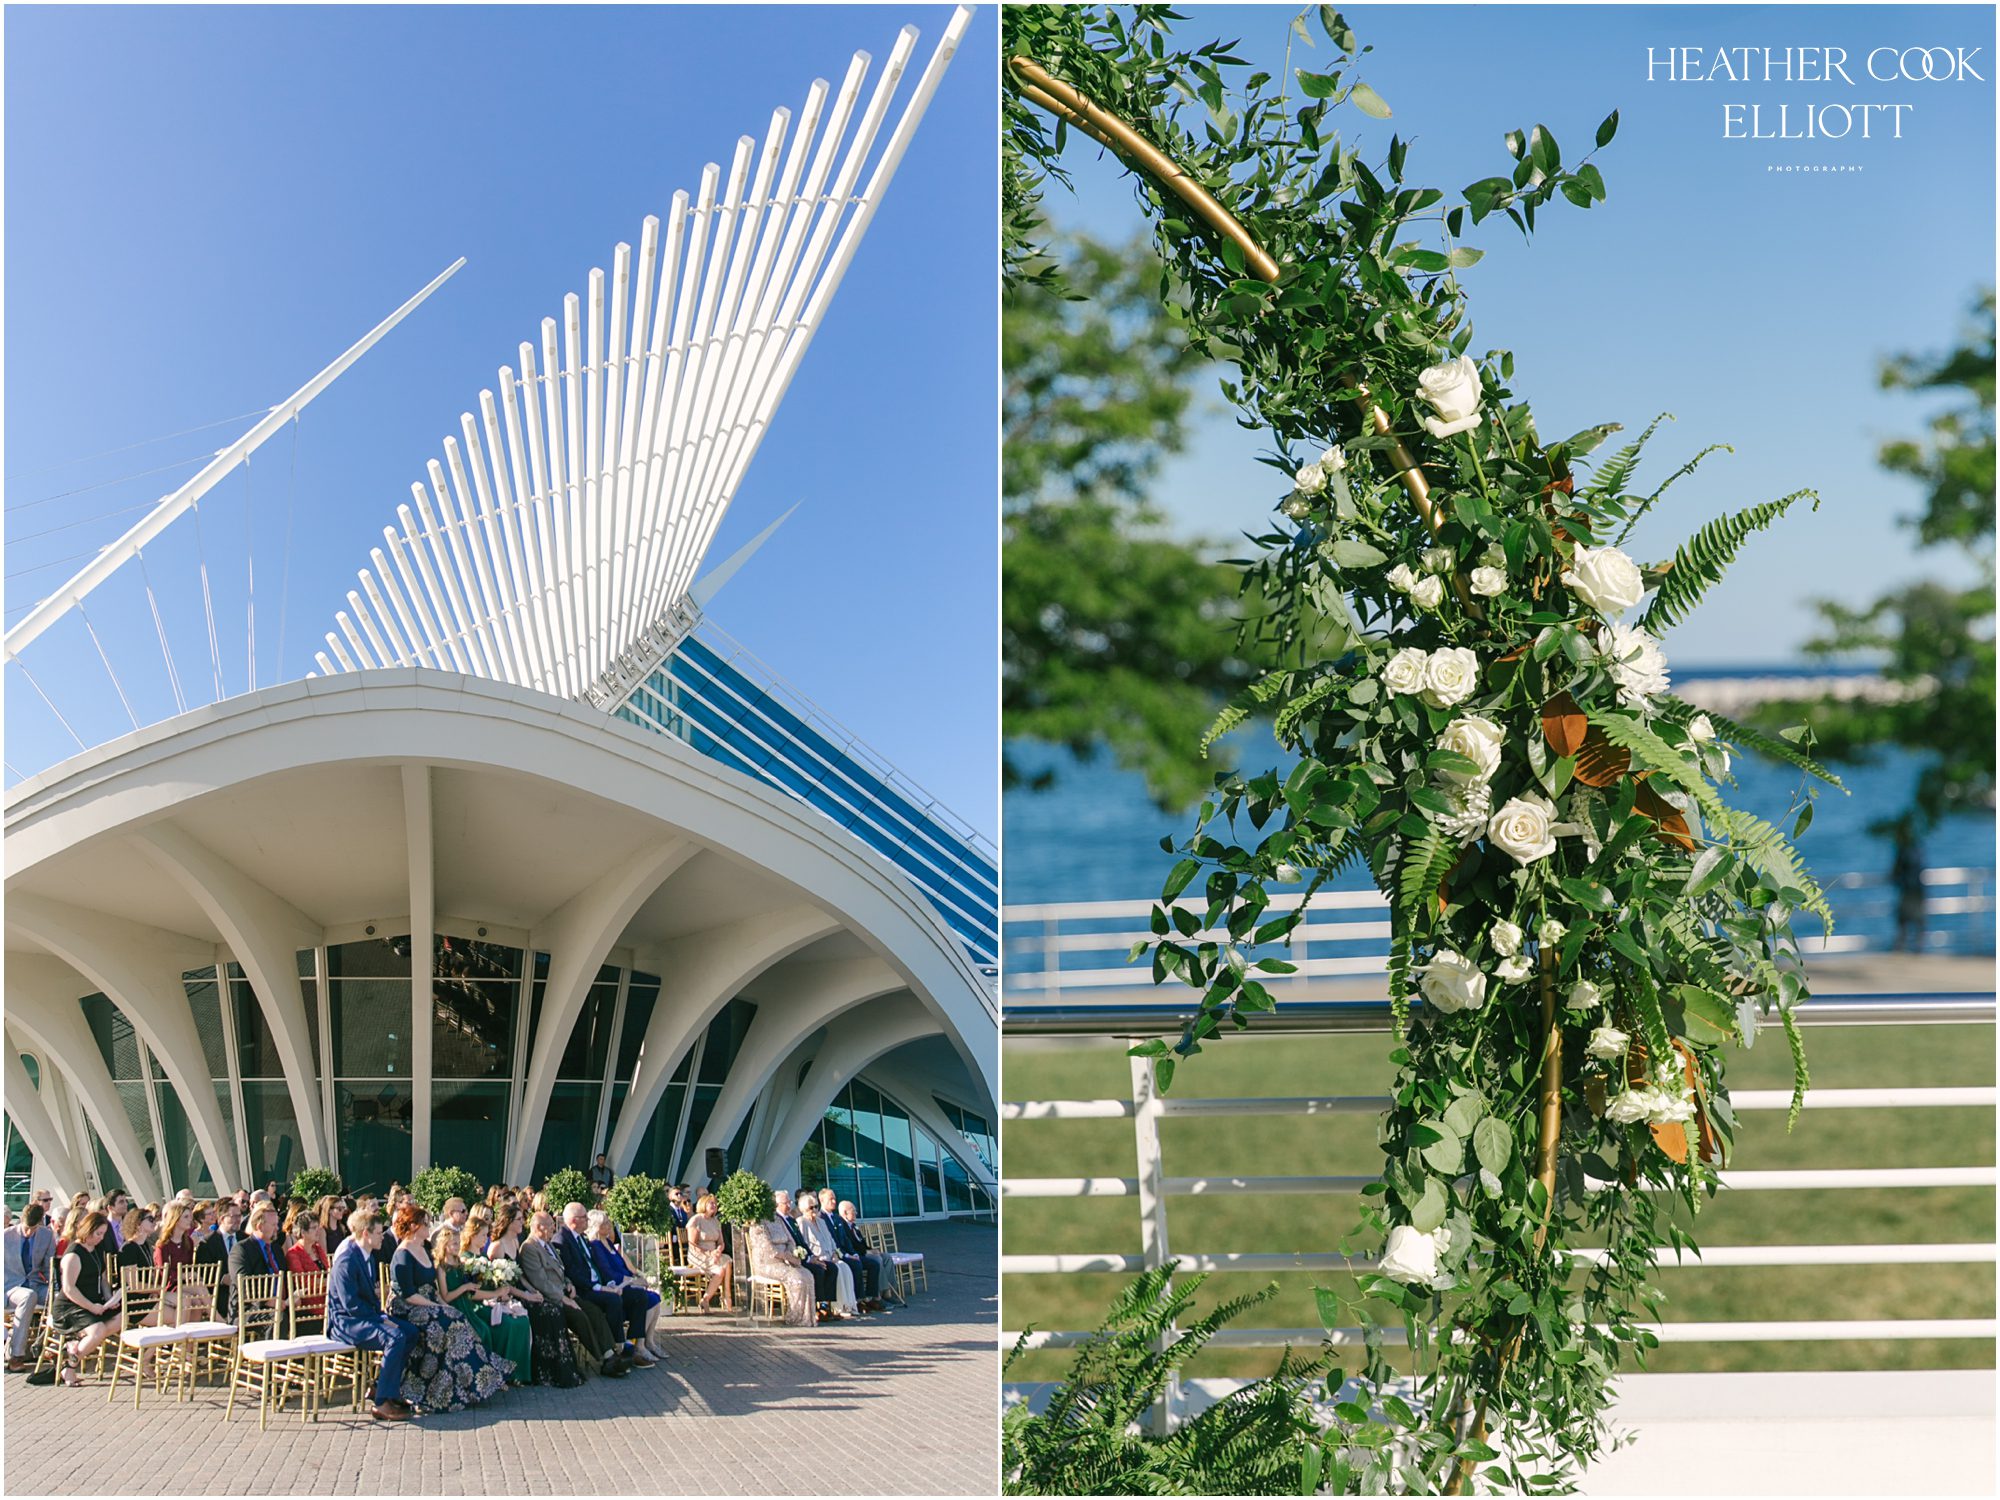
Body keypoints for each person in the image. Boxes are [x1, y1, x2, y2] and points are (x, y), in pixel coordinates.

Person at [386, 1203, 510, 1411]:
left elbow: (433, 1288)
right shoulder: (403, 1254)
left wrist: (443, 1305)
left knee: (458, 1317)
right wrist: (438, 1306)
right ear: (414, 1226)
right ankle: (437, 1388)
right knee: (445, 1324)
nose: (428, 1227)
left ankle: (473, 1380)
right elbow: (408, 1294)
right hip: (407, 1306)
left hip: (428, 1301)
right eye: (425, 1223)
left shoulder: (423, 1248)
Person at [464, 1212, 579, 1389]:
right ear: (509, 1222)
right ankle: (531, 1371)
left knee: (549, 1309)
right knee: (542, 1314)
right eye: (519, 1219)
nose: (523, 1222)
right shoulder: (496, 1248)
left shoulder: (515, 1242)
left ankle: (554, 1368)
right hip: (503, 1295)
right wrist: (526, 1296)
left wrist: (533, 1291)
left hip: (515, 1291)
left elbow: (519, 1275)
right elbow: (500, 1283)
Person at [327, 1210, 417, 1422]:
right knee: (394, 1337)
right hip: (346, 1322)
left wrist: (381, 1316)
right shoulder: (347, 1261)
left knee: (411, 1332)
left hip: (366, 1316)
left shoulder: (367, 1256)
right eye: (378, 1233)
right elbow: (351, 1305)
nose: (382, 1236)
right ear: (366, 1234)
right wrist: (381, 1320)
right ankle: (382, 1403)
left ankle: (385, 1387)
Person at [519, 1212, 628, 1377]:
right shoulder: (529, 1248)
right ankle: (604, 1358)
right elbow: (540, 1281)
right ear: (538, 1227)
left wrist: (569, 1283)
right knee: (580, 1317)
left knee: (594, 1312)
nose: (552, 1228)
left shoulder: (547, 1245)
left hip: (565, 1291)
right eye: (549, 1225)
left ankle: (610, 1354)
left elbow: (561, 1270)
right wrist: (562, 1298)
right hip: (550, 1298)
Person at [431, 1224, 530, 1389]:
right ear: (445, 1246)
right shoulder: (442, 1267)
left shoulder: (460, 1264)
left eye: (457, 1243)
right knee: (479, 1332)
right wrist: (465, 1288)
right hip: (455, 1306)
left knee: (484, 1330)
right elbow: (446, 1296)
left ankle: (491, 1376)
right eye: (453, 1244)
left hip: (466, 1305)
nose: (457, 1246)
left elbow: (471, 1288)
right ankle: (477, 1378)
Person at [558, 1203, 652, 1367]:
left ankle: (633, 1344)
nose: (587, 1220)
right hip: (584, 1289)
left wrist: (610, 1284)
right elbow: (573, 1272)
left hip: (599, 1284)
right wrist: (601, 1287)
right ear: (574, 1220)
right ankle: (617, 1345)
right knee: (613, 1300)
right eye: (584, 1218)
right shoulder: (562, 1240)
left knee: (639, 1296)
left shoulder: (581, 1238)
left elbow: (596, 1268)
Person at [50, 1212, 121, 1386]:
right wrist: (91, 1307)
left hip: (93, 1302)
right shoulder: (74, 1254)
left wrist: (110, 1299)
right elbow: (68, 1288)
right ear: (88, 1230)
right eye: (98, 1234)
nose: (101, 1238)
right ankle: (70, 1367)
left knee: (120, 1318)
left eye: (103, 1234)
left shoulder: (97, 1250)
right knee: (97, 1330)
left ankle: (79, 1342)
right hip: (70, 1306)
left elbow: (103, 1279)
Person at [586, 1209, 665, 1358]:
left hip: (626, 1281)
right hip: (616, 1284)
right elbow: (607, 1272)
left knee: (655, 1300)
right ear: (597, 1226)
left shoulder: (608, 1242)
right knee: (643, 1297)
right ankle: (637, 1345)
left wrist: (636, 1276)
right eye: (605, 1223)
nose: (609, 1225)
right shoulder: (596, 1245)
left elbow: (622, 1264)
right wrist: (632, 1281)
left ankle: (648, 1341)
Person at [748, 1202, 816, 1328]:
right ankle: (795, 1316)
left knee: (808, 1275)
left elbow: (790, 1240)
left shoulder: (778, 1220)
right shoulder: (758, 1223)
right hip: (768, 1262)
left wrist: (792, 1252)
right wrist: (785, 1256)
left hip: (785, 1259)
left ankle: (807, 1317)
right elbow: (767, 1247)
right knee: (797, 1278)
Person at [5, 1203, 55, 1371]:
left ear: (40, 1223)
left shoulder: (46, 1236)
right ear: (21, 1220)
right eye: (26, 1228)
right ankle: (16, 1355)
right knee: (28, 1296)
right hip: (10, 1286)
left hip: (35, 1283)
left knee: (61, 1298)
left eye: (33, 1229)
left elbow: (49, 1267)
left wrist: (54, 1289)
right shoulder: (5, 1236)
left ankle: (52, 1347)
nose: (29, 1232)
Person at [820, 1191, 886, 1310]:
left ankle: (870, 1297)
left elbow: (845, 1239)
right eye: (831, 1199)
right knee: (856, 1265)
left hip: (847, 1253)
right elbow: (829, 1241)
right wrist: (845, 1255)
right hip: (835, 1254)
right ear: (822, 1201)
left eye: (834, 1198)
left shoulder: (836, 1218)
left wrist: (853, 1253)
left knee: (873, 1264)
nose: (834, 1201)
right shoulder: (821, 1218)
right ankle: (858, 1299)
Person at [774, 1191, 839, 1310]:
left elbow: (802, 1241)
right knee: (818, 1271)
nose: (789, 1205)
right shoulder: (777, 1220)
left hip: (803, 1256)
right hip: (791, 1258)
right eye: (786, 1203)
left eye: (790, 1202)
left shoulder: (791, 1220)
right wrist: (808, 1259)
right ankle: (817, 1307)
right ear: (777, 1204)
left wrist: (811, 1256)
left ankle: (828, 1305)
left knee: (831, 1268)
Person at [796, 1198, 858, 1318]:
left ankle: (848, 1305)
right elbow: (803, 1244)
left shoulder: (821, 1222)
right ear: (803, 1209)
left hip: (830, 1256)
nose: (814, 1209)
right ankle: (833, 1307)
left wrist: (835, 1253)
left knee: (845, 1267)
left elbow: (831, 1240)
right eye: (811, 1207)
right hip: (818, 1257)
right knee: (834, 1269)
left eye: (816, 1206)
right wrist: (814, 1258)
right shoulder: (801, 1222)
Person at [838, 1199, 898, 1306]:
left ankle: (889, 1291)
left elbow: (862, 1243)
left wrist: (870, 1249)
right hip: (856, 1255)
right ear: (845, 1213)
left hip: (864, 1251)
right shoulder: (842, 1226)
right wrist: (867, 1252)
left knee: (887, 1257)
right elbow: (851, 1246)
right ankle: (878, 1294)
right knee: (877, 1260)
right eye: (853, 1211)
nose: (856, 1213)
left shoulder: (853, 1225)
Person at [284, 1204, 331, 1328]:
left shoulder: (317, 1249)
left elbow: (329, 1271)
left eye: (318, 1226)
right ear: (303, 1232)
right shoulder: (293, 1253)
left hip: (327, 1298)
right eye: (314, 1227)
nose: (318, 1230)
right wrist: (328, 1281)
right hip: (310, 1303)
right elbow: (302, 1281)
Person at [685, 1194, 732, 1313]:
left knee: (727, 1261)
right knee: (721, 1270)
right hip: (699, 1254)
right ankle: (707, 1299)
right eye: (711, 1203)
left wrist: (718, 1251)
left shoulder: (715, 1221)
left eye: (715, 1204)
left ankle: (727, 1293)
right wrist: (711, 1253)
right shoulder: (696, 1220)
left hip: (714, 1253)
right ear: (704, 1204)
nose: (714, 1205)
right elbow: (693, 1244)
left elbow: (721, 1242)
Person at [195, 1200, 242, 1318]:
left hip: (246, 1290)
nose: (237, 1219)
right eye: (233, 1216)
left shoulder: (245, 1239)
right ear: (221, 1219)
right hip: (221, 1293)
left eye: (239, 1216)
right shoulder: (208, 1243)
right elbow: (202, 1271)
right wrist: (221, 1278)